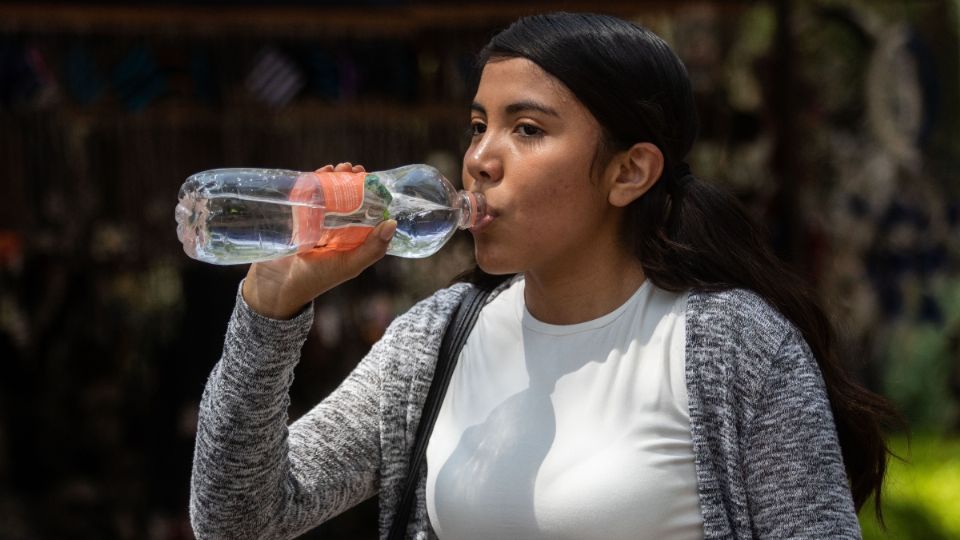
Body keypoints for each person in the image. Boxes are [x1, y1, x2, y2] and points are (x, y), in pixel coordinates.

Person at [189, 12, 897, 540]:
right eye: (478, 125)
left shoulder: (735, 348)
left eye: (527, 129)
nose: (480, 160)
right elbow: (237, 518)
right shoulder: (438, 340)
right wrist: (269, 311)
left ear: (629, 171)